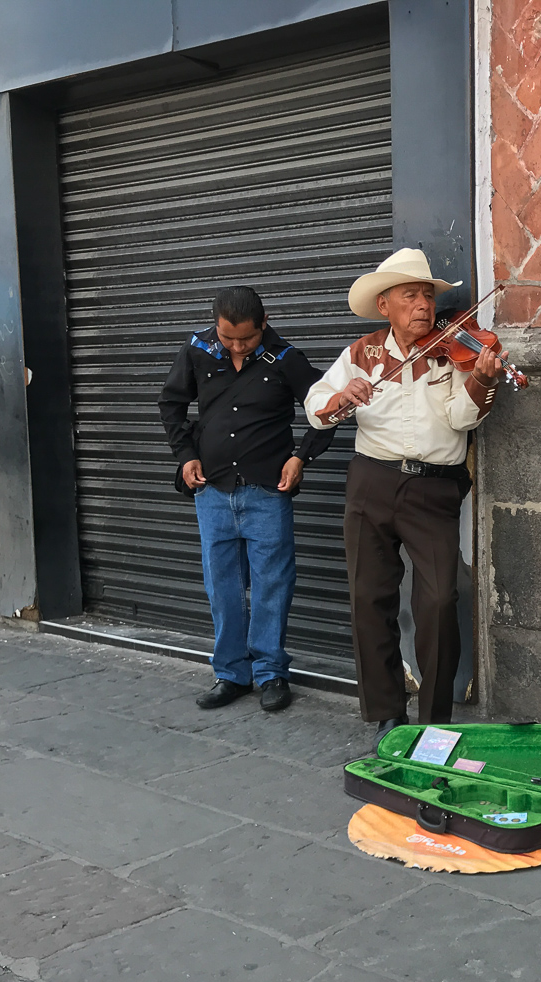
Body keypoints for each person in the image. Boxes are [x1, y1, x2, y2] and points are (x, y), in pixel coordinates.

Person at [304, 248, 506, 747]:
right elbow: (315, 408)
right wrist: (340, 400)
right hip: (371, 482)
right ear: (385, 305)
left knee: (439, 599)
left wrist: (480, 377)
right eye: (410, 296)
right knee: (368, 598)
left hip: (433, 487)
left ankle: (435, 719)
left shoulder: (453, 349)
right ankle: (387, 712)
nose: (423, 305)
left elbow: (462, 419)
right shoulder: (361, 354)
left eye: (428, 295)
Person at [159, 285, 335, 712]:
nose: (237, 346)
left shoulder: (287, 359)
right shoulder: (199, 349)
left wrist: (300, 458)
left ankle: (271, 673)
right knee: (223, 587)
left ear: (265, 323)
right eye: (228, 337)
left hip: (266, 493)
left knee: (273, 585)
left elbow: (328, 412)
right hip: (212, 490)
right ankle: (231, 673)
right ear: (216, 325)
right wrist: (186, 456)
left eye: (247, 338)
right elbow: (171, 403)